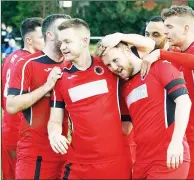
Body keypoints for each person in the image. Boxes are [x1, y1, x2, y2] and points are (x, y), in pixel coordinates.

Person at [47, 18, 154, 179]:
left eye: (67, 41)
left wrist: (119, 36)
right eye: (61, 42)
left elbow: (149, 45)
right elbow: (55, 119)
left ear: (84, 41)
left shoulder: (108, 64)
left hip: (116, 161)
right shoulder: (60, 77)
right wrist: (54, 135)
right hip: (79, 163)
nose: (63, 47)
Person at [141, 5, 194, 179]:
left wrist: (161, 54)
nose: (165, 31)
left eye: (169, 27)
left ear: (186, 28)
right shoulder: (178, 53)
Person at [96, 34, 191, 179]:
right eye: (109, 65)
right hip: (141, 160)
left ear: (127, 51)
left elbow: (184, 102)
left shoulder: (160, 67)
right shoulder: (124, 88)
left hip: (168, 157)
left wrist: (176, 143)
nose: (114, 67)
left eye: (115, 60)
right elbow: (126, 127)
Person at [6, 14, 71, 179]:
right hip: (35, 152)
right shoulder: (26, 63)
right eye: (63, 29)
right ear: (49, 35)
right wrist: (46, 87)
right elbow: (11, 106)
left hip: (67, 150)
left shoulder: (72, 64)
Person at [1, 17, 44, 179]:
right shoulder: (31, 62)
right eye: (42, 37)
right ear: (28, 39)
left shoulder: (10, 57)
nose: (46, 41)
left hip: (7, 127)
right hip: (21, 132)